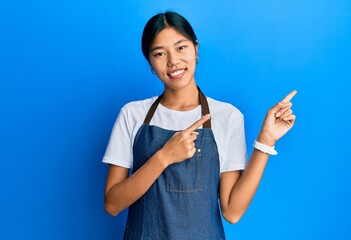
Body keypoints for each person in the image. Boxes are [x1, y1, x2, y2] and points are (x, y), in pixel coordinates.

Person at [102, 11, 296, 240]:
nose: (173, 61)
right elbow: (112, 204)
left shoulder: (228, 116)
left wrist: (265, 141)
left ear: (196, 49)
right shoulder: (132, 114)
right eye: (159, 53)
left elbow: (232, 212)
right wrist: (164, 157)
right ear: (150, 63)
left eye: (181, 47)